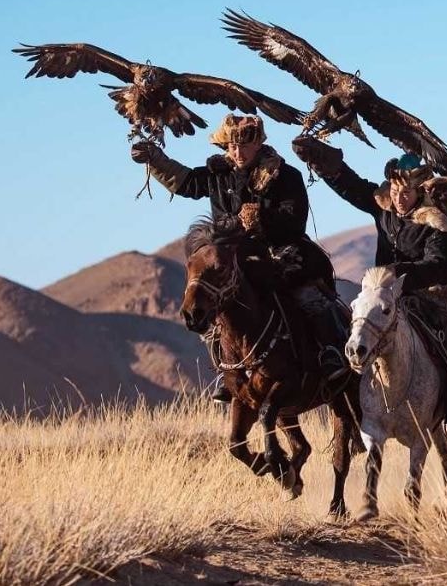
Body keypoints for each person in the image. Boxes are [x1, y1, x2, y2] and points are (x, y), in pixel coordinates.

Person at [131, 114, 339, 401]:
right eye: (231, 147)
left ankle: (331, 358)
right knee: (210, 302)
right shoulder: (218, 174)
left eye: (243, 146)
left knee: (309, 299)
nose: (237, 153)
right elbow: (186, 183)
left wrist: (261, 220)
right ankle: (228, 374)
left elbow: (295, 222)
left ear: (258, 144)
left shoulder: (286, 175)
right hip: (234, 258)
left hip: (283, 254)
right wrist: (154, 159)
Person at [292, 137, 447, 442]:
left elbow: (438, 263)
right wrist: (326, 166)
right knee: (352, 334)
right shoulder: (383, 207)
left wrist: (398, 273)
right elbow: (352, 186)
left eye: (406, 193)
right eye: (394, 192)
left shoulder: (438, 220)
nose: (399, 198)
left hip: (431, 294)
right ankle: (353, 417)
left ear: (419, 191)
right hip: (384, 295)